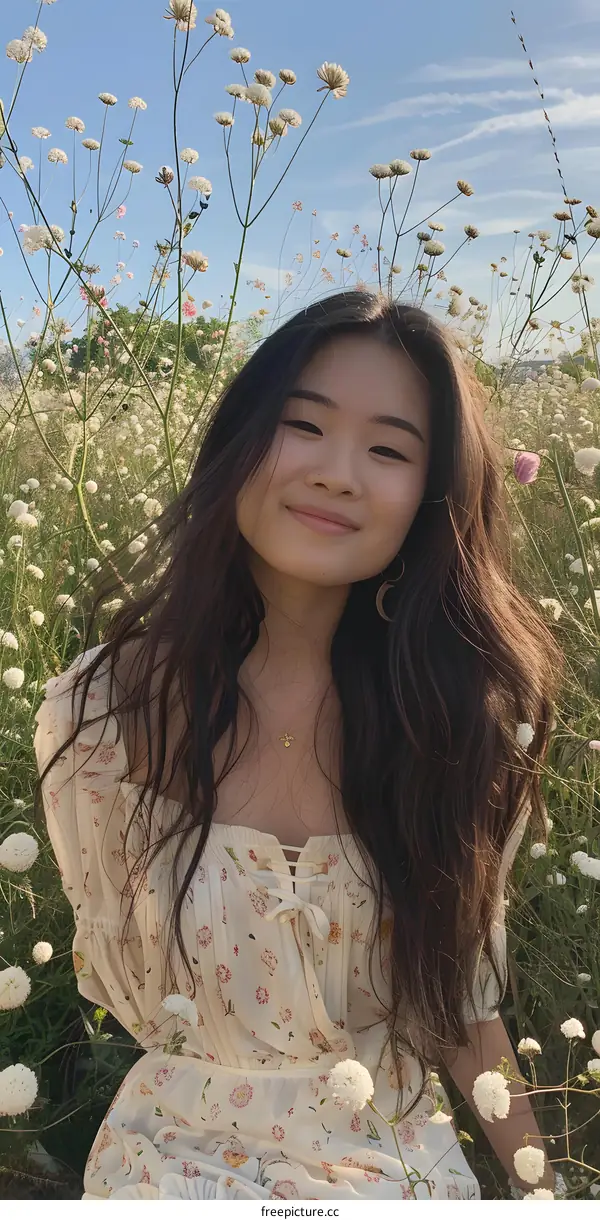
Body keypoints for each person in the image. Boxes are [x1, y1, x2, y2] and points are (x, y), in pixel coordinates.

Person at [34, 290, 563, 1201]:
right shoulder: (101, 713)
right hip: (172, 1165)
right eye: (302, 426)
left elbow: (462, 1009)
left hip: (393, 1172)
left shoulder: (456, 724)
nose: (339, 473)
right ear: (238, 443)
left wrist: (543, 1189)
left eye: (389, 449)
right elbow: (122, 988)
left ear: (431, 498)